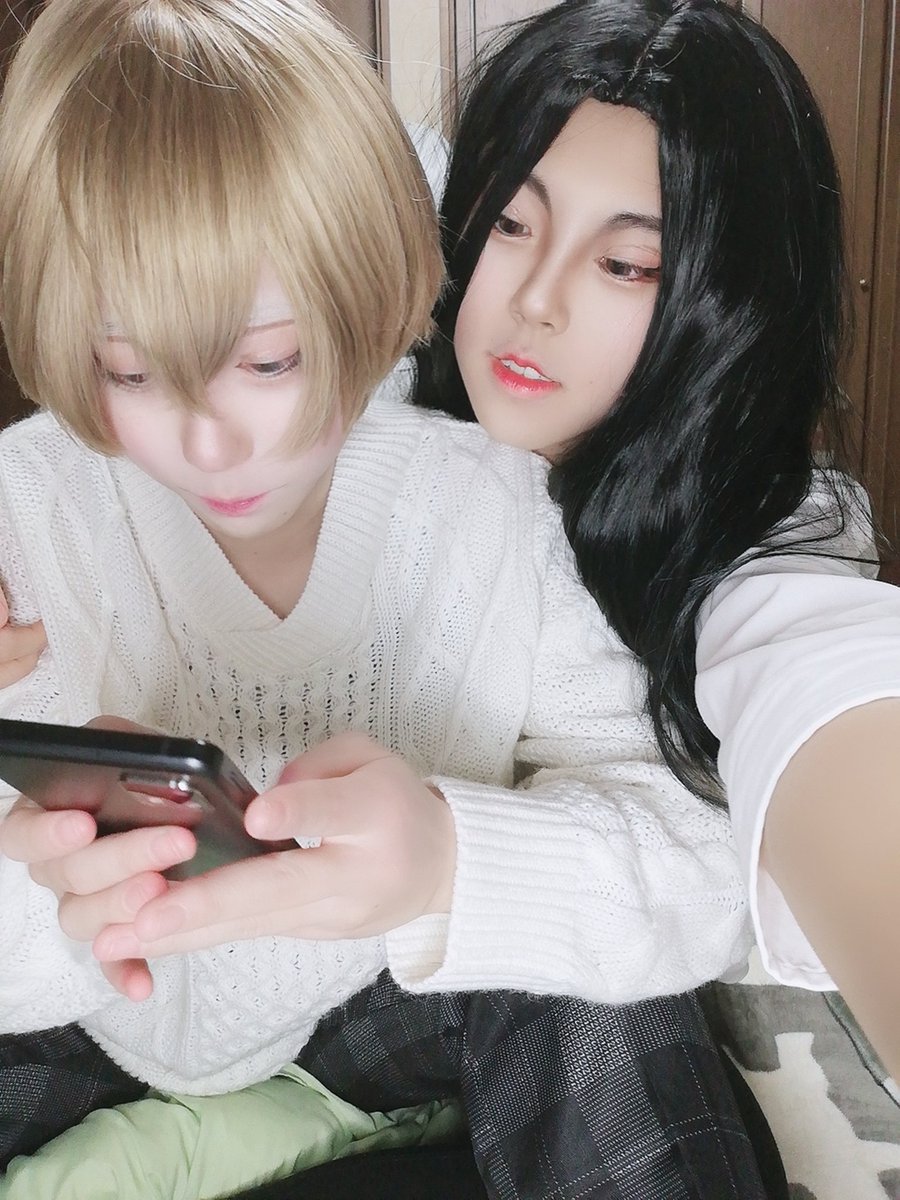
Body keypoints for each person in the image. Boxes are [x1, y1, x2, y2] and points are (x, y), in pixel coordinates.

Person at [0, 1, 773, 1196]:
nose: (211, 442)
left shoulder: (495, 506)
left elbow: (706, 868)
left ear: (370, 292)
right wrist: (39, 889)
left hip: (371, 1010)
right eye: (130, 371)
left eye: (268, 360)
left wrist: (451, 865)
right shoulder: (26, 504)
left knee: (609, 980)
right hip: (90, 1023)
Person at [409, 0, 900, 1083]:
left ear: (729, 303)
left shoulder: (762, 543)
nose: (536, 301)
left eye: (627, 265)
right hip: (268, 984)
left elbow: (829, 685)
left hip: (509, 1008)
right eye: (510, 223)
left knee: (612, 1011)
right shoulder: (360, 416)